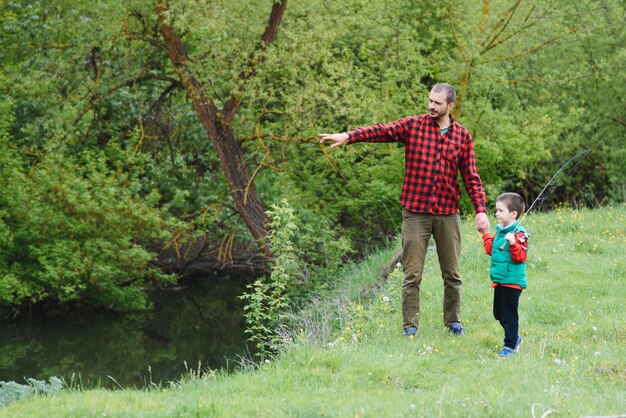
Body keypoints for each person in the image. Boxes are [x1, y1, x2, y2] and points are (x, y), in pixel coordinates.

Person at [320, 83, 490, 337]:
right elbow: (381, 131)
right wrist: (348, 136)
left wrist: (480, 210)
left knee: (452, 274)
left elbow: (471, 176)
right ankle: (410, 327)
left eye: (437, 103)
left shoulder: (462, 136)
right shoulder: (414, 125)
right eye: (430, 101)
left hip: (447, 213)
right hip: (416, 213)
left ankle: (453, 322)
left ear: (450, 106)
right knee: (412, 274)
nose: (431, 106)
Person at [480, 192, 529, 357]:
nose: (496, 214)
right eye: (497, 210)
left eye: (500, 210)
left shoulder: (519, 234)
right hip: (500, 280)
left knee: (509, 315)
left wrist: (514, 243)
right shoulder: (500, 231)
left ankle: (510, 345)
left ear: (513, 214)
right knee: (498, 314)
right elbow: (490, 250)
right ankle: (515, 337)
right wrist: (485, 233)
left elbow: (521, 257)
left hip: (512, 281)